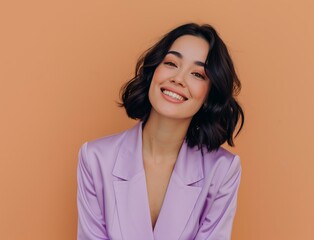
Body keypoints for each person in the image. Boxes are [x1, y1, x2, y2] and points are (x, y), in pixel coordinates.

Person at [77, 23, 244, 240]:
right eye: (172, 63)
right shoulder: (95, 158)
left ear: (209, 96)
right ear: (153, 70)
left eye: (197, 74)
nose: (178, 79)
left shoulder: (222, 170)